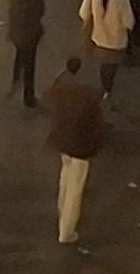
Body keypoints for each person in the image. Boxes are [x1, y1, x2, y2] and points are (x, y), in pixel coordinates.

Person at [46, 59, 105, 245]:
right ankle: (67, 230)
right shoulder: (90, 100)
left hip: (64, 142)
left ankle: (61, 209)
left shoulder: (62, 91)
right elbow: (97, 127)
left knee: (65, 177)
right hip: (81, 148)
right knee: (76, 189)